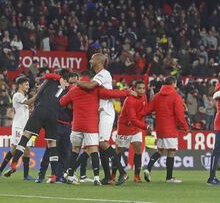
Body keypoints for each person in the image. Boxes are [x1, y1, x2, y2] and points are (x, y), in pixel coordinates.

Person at [59, 70, 132, 186]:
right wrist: (126, 92)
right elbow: (111, 94)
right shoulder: (95, 89)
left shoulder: (73, 90)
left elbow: (62, 102)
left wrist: (72, 104)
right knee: (94, 148)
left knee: (78, 149)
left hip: (77, 124)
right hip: (91, 124)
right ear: (90, 79)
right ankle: (100, 177)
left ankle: (71, 174)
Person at [4, 70, 70, 182]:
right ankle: (53, 175)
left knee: (25, 137)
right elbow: (63, 103)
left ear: (59, 75)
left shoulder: (49, 80)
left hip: (40, 110)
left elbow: (37, 95)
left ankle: (14, 164)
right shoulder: (67, 88)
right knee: (52, 144)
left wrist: (34, 101)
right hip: (53, 114)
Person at [72, 53, 127, 184]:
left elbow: (91, 86)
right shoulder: (98, 75)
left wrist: (76, 82)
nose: (90, 61)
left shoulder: (104, 73)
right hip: (99, 112)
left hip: (106, 111)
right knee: (100, 145)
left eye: (92, 59)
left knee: (102, 142)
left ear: (98, 61)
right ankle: (108, 177)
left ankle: (123, 172)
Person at [35, 71, 80, 183]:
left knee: (66, 153)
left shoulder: (74, 91)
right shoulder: (63, 87)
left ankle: (59, 176)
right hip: (57, 124)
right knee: (49, 151)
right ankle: (41, 175)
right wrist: (59, 78)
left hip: (68, 126)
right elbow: (48, 75)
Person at [143, 76, 189, 183]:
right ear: (173, 84)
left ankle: (148, 169)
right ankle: (169, 178)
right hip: (170, 128)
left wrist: (138, 114)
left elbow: (148, 109)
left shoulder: (157, 96)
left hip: (160, 128)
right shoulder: (175, 96)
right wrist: (185, 126)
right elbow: (179, 115)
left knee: (160, 150)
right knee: (171, 151)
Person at [0, 76, 36, 181]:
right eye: (26, 84)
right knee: (14, 149)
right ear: (20, 85)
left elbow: (28, 106)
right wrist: (38, 94)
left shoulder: (24, 96)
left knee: (27, 150)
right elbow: (28, 103)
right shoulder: (17, 95)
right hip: (18, 126)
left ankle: (26, 175)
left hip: (26, 127)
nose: (28, 86)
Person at [113, 80, 151, 183]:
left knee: (138, 148)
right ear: (134, 89)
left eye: (143, 88)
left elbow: (142, 112)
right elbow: (132, 119)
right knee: (119, 151)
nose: (142, 90)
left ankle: (137, 176)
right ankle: (112, 176)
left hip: (136, 127)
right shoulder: (129, 100)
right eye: (139, 88)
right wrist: (145, 126)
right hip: (125, 127)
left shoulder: (144, 97)